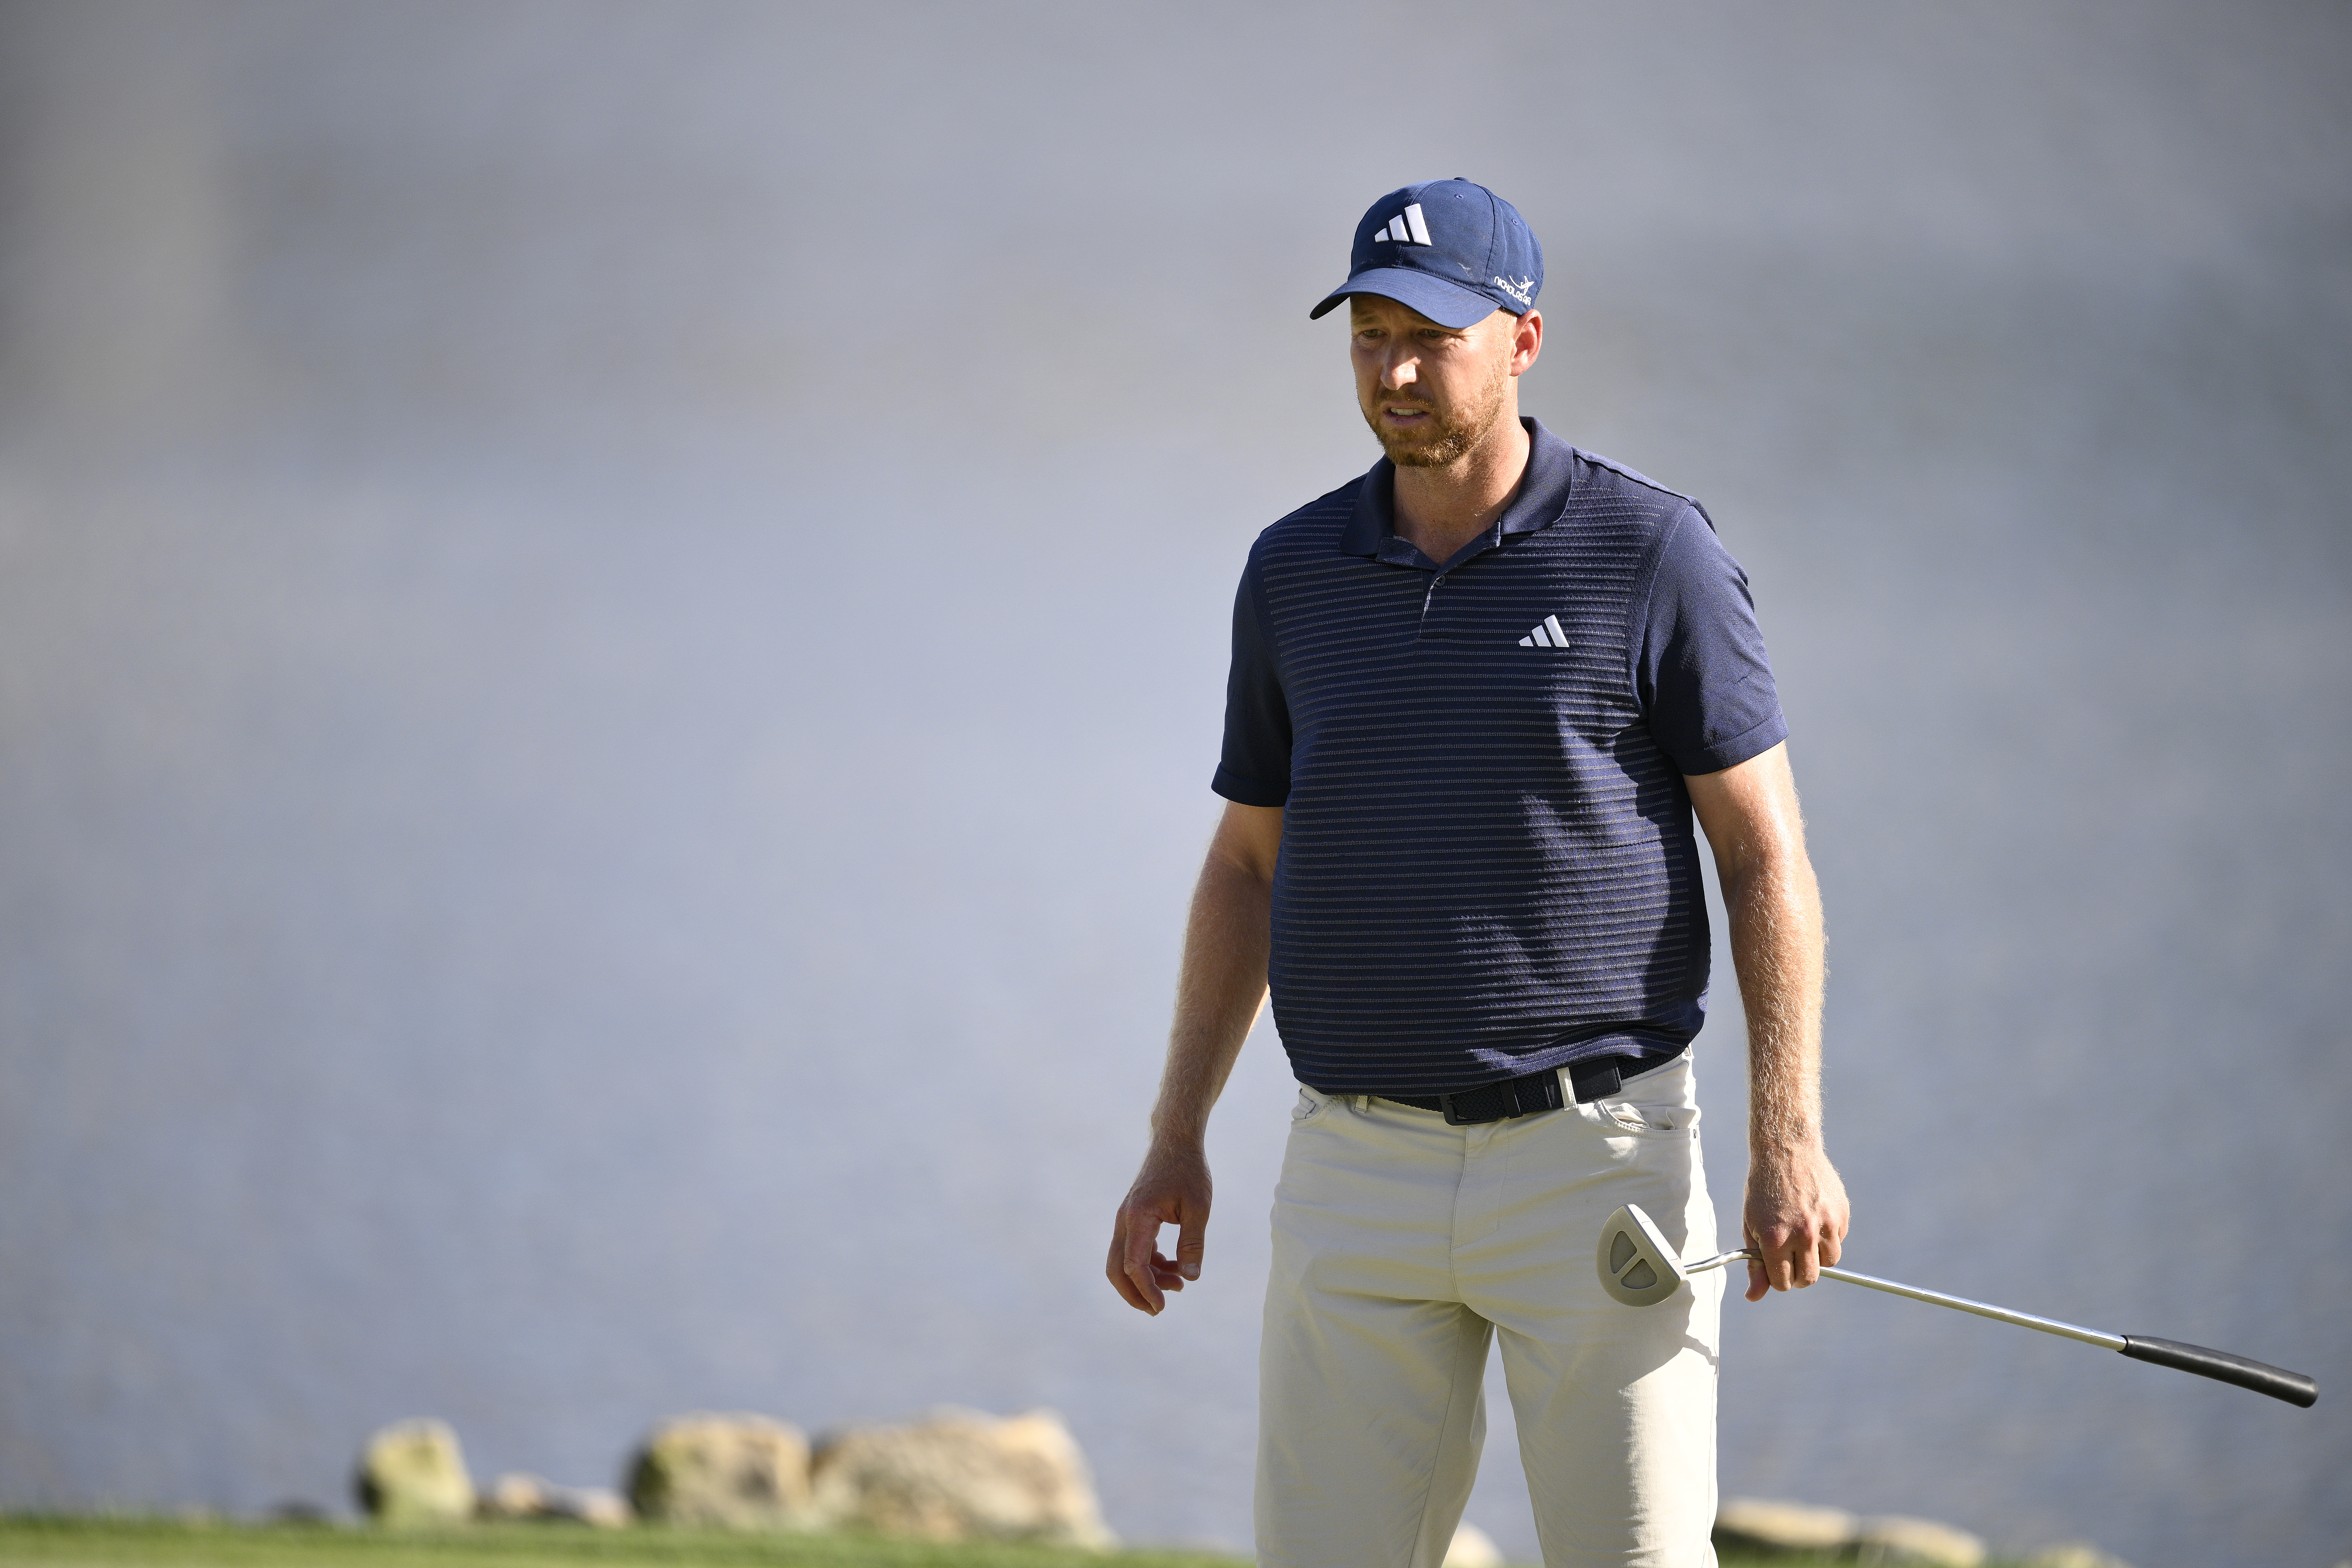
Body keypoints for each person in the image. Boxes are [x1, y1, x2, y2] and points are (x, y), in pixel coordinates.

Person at [1104, 178, 1850, 1568]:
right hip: (1354, 1169)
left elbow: (1765, 856)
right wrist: (1176, 1135)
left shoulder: (1653, 553)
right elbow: (1245, 868)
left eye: (1429, 336)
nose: (1392, 370)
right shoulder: (1292, 573)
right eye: (1368, 333)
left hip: (1598, 1162)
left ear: (1523, 339)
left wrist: (1786, 1137)